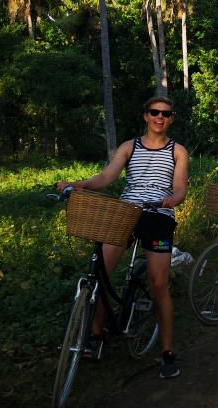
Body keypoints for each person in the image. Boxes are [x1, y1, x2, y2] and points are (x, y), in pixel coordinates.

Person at [56, 96, 188, 378]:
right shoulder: (130, 146)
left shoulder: (178, 151)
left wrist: (173, 199)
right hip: (125, 211)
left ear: (171, 118)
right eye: (154, 112)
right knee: (102, 273)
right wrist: (77, 185)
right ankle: (95, 335)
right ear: (146, 116)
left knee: (158, 282)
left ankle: (167, 351)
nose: (159, 117)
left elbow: (180, 187)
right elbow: (107, 177)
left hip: (158, 215)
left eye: (165, 114)